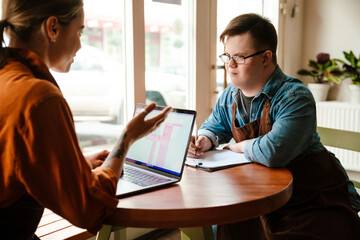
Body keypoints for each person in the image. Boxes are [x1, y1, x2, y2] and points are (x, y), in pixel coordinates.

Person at [0, 0, 171, 239]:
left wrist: (76, 162)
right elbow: (89, 210)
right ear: (53, 28)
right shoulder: (38, 97)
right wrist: (126, 138)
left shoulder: (6, 78)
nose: (80, 45)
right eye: (80, 32)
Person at [187, 13, 360, 239]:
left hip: (309, 198)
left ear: (266, 57)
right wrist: (205, 139)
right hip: (257, 195)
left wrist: (238, 147)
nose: (229, 65)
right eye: (227, 55)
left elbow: (273, 152)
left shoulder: (295, 97)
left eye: (239, 57)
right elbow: (214, 125)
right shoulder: (230, 95)